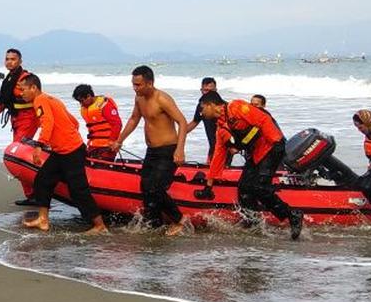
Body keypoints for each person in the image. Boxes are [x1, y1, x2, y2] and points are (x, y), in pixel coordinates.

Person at [199, 92, 304, 240]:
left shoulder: (237, 107)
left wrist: (274, 143)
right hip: (256, 153)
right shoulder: (221, 127)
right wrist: (209, 185)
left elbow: (262, 120)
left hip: (271, 146)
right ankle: (252, 222)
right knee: (244, 187)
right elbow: (218, 156)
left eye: (202, 108)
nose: (201, 113)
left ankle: (292, 214)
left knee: (260, 187)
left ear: (211, 105)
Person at [18, 74, 108, 235]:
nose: (20, 93)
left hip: (71, 152)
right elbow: (74, 122)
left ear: (33, 88)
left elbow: (48, 122)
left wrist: (40, 145)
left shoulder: (40, 100)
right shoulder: (52, 99)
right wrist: (62, 138)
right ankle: (43, 219)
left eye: (23, 89)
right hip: (62, 151)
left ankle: (99, 225)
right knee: (42, 180)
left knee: (78, 190)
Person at [109, 65, 191, 235]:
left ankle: (180, 220)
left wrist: (180, 150)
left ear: (150, 83)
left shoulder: (162, 99)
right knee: (146, 188)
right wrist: (119, 141)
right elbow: (133, 119)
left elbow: (182, 122)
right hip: (152, 151)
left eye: (138, 85)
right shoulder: (139, 98)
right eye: (133, 84)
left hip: (168, 150)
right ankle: (155, 225)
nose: (135, 88)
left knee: (156, 188)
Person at [0, 48, 37, 204]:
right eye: (7, 59)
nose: (9, 62)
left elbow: (38, 98)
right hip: (16, 120)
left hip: (28, 120)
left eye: (13, 59)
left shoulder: (26, 79)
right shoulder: (8, 79)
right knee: (19, 156)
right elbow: (4, 101)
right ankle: (31, 195)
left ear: (20, 61)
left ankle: (35, 194)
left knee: (18, 155)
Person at [72, 84, 122, 161]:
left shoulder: (104, 105)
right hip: (93, 144)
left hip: (107, 145)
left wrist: (112, 141)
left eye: (82, 101)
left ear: (88, 96)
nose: (81, 104)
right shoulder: (85, 108)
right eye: (79, 101)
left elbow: (117, 124)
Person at [184, 77, 219, 161]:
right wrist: (178, 135)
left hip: (225, 148)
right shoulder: (201, 106)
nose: (208, 94)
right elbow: (194, 122)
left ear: (216, 90)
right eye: (205, 90)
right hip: (213, 148)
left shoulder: (224, 107)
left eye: (211, 91)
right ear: (201, 90)